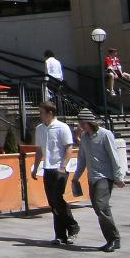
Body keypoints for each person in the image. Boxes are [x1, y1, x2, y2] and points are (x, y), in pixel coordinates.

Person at [73, 108, 125, 252]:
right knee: (98, 208)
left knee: (101, 206)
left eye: (83, 124)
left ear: (90, 122)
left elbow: (114, 157)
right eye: (80, 124)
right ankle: (111, 238)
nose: (81, 127)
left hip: (105, 176)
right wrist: (76, 176)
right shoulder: (84, 138)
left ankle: (114, 239)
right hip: (92, 177)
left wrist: (118, 177)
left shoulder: (105, 135)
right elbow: (82, 159)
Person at [32, 101, 79, 246]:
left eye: (41, 112)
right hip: (47, 168)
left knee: (58, 199)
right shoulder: (40, 129)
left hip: (60, 168)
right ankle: (60, 235)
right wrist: (36, 167)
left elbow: (68, 148)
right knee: (52, 202)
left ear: (50, 113)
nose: (39, 115)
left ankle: (72, 227)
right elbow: (39, 150)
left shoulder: (62, 127)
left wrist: (62, 167)